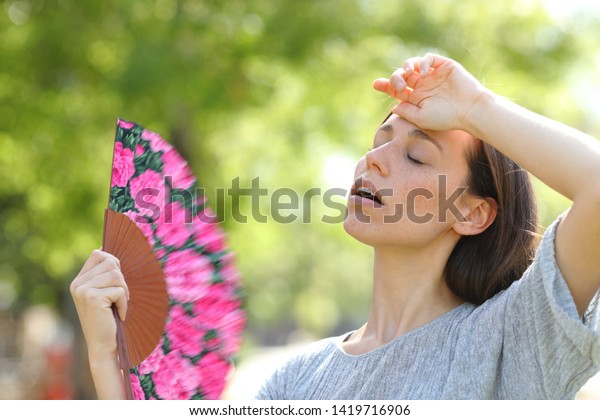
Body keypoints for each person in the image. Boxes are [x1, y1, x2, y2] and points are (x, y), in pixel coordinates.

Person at [71, 53, 600, 400]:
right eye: (379, 141)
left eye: (416, 155)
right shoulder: (295, 384)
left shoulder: (514, 338)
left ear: (472, 212)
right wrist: (104, 356)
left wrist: (475, 107)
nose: (375, 161)